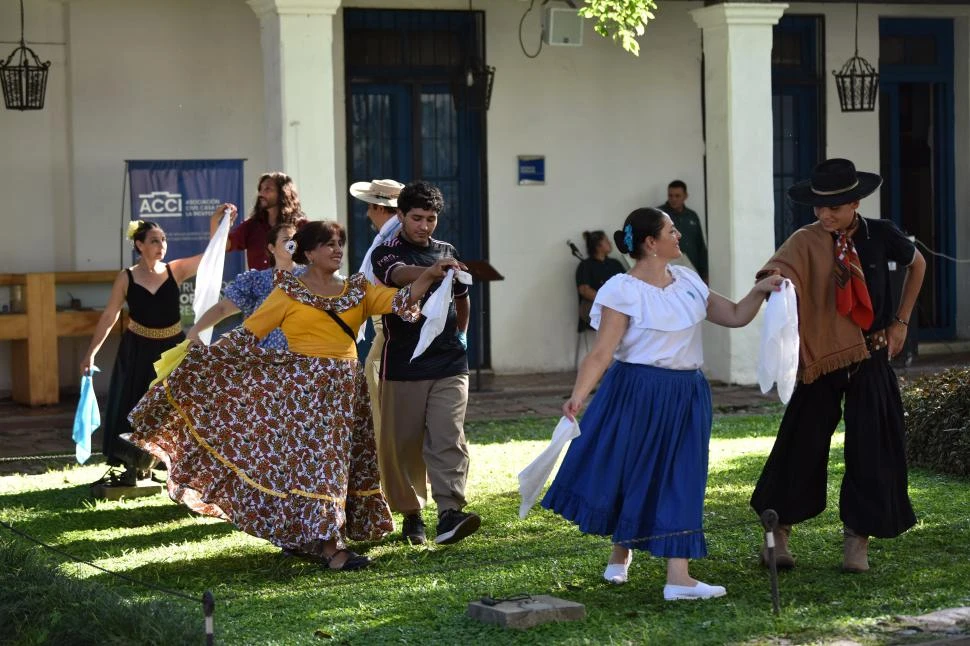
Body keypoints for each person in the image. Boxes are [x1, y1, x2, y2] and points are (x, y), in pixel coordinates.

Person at [127, 220, 461, 570]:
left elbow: (401, 301)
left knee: (330, 468)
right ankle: (331, 549)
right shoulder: (288, 292)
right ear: (309, 252)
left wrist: (430, 274)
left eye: (339, 243)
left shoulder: (356, 290)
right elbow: (249, 333)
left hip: (345, 395)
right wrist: (202, 358)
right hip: (301, 395)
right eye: (328, 244)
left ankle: (314, 539)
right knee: (318, 469)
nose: (337, 250)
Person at [541, 207, 783, 601]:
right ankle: (636, 560)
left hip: (687, 392)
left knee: (682, 474)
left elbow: (736, 315)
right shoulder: (622, 289)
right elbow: (602, 352)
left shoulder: (688, 280)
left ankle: (676, 576)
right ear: (651, 243)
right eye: (672, 231)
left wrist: (760, 290)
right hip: (637, 389)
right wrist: (578, 395)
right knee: (631, 470)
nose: (679, 236)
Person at [749, 158, 926, 573]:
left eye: (835, 206)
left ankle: (856, 542)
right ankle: (777, 536)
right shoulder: (804, 240)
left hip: (873, 352)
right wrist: (777, 281)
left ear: (856, 202)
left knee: (873, 445)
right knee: (801, 442)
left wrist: (901, 320)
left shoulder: (881, 234)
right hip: (823, 357)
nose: (825, 214)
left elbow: (917, 263)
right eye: (819, 206)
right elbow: (779, 269)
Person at [370, 180, 479, 546]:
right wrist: (432, 272)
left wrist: (461, 335)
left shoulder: (446, 250)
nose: (424, 226)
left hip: (449, 362)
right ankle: (411, 513)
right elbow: (398, 276)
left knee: (449, 435)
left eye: (431, 219)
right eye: (417, 218)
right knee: (402, 444)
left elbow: (462, 297)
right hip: (403, 364)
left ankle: (450, 512)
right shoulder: (385, 253)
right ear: (400, 215)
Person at [81, 218, 229, 487]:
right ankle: (130, 464)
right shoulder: (126, 277)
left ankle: (170, 464)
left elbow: (213, 255)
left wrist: (215, 224)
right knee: (133, 404)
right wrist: (91, 352)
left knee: (173, 406)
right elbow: (110, 315)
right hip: (136, 349)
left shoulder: (175, 270)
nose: (161, 245)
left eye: (163, 240)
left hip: (170, 348)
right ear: (139, 244)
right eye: (154, 240)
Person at [186, 222, 305, 349]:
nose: (292, 243)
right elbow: (223, 309)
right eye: (286, 240)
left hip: (300, 356)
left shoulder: (310, 276)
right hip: (262, 358)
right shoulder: (257, 280)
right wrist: (195, 330)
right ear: (272, 248)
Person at [349, 178, 405, 443]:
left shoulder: (392, 236)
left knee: (376, 380)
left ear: (380, 208)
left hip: (389, 320)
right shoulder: (386, 234)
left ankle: (388, 461)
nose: (367, 212)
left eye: (370, 206)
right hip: (383, 318)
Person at [210, 172, 306, 270]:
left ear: (284, 192)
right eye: (260, 189)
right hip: (259, 284)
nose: (261, 194)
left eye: (267, 189)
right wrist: (215, 221)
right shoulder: (251, 225)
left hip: (293, 283)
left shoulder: (301, 225)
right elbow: (222, 246)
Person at [658, 180, 708, 283]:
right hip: (669, 270)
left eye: (677, 196)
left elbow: (700, 245)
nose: (673, 199)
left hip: (692, 269)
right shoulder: (659, 215)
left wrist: (705, 272)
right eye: (670, 195)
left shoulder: (692, 216)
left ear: (685, 196)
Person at [575, 230, 626, 331]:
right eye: (607, 241)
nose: (610, 243)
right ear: (598, 246)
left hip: (617, 306)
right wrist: (608, 301)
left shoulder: (615, 263)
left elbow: (626, 284)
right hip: (597, 307)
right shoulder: (585, 265)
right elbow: (584, 290)